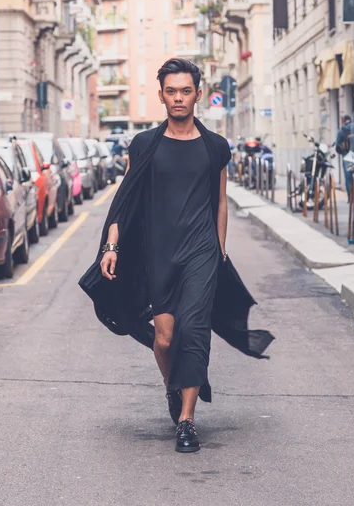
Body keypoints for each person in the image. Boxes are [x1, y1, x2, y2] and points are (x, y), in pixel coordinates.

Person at [79, 58, 274, 454]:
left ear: (198, 94)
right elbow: (126, 202)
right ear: (162, 95)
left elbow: (220, 201)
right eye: (172, 91)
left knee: (194, 331)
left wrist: (219, 251)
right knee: (165, 339)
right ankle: (174, 386)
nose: (179, 98)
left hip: (201, 251)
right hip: (158, 253)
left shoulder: (215, 147)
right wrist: (111, 246)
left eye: (186, 91)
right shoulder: (145, 144)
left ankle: (187, 421)